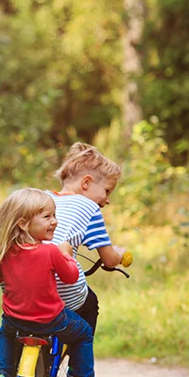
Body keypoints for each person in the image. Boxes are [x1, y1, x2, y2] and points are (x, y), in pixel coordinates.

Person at [0, 188, 115, 377]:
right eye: (48, 217)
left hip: (15, 320)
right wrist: (68, 255)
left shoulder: (7, 251)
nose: (55, 222)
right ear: (23, 222)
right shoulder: (51, 251)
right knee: (82, 333)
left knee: (5, 336)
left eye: (54, 215)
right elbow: (70, 277)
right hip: (52, 319)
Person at [46, 142, 128, 336]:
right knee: (90, 304)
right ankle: (80, 365)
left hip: (22, 285)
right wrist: (119, 254)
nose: (107, 200)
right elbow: (109, 259)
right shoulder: (88, 207)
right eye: (107, 191)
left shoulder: (42, 199)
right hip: (63, 291)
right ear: (86, 183)